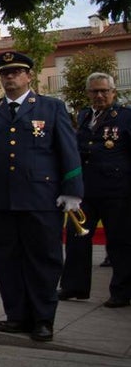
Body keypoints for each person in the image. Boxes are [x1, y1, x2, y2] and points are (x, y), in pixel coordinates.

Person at [0, 51, 83, 343]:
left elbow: (68, 152)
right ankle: (16, 315)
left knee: (43, 260)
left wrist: (72, 191)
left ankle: (43, 319)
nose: (10, 78)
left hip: (40, 199)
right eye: (5, 73)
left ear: (29, 76)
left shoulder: (51, 108)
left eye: (16, 72)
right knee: (5, 260)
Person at [61, 72, 130, 309]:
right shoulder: (84, 115)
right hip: (85, 190)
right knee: (77, 237)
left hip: (117, 191)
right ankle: (74, 286)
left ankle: (122, 292)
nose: (99, 95)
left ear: (113, 92)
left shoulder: (125, 117)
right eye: (94, 91)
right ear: (88, 93)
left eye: (104, 91)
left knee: (119, 243)